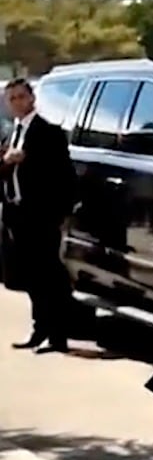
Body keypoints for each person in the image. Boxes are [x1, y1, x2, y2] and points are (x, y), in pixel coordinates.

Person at [1, 78, 76, 353]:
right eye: (12, 99)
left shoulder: (48, 133)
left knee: (48, 276)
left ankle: (57, 335)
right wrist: (7, 160)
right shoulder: (11, 133)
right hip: (16, 213)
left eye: (22, 97)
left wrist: (58, 214)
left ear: (32, 98)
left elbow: (63, 175)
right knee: (30, 276)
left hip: (41, 216)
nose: (17, 103)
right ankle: (39, 328)